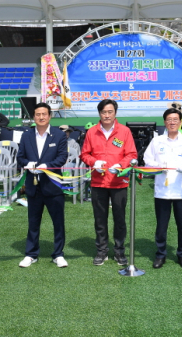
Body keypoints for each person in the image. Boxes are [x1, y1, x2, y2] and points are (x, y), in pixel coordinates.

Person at [80, 99, 138, 266]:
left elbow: (132, 154)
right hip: (98, 182)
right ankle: (102, 251)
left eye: (110, 112)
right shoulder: (91, 132)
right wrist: (94, 162)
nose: (107, 115)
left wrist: (121, 165)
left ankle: (119, 252)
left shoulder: (125, 131)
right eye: (104, 112)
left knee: (119, 219)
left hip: (119, 182)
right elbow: (85, 154)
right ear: (99, 113)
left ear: (115, 113)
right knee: (100, 219)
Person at [143, 108, 182, 269]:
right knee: (161, 226)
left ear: (180, 122)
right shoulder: (157, 141)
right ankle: (160, 254)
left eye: (175, 119)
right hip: (162, 191)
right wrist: (159, 166)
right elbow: (147, 161)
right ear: (164, 122)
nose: (172, 122)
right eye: (169, 119)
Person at [17, 103, 69, 268]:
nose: (41, 117)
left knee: (58, 222)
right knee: (33, 222)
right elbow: (20, 157)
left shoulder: (59, 135)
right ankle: (31, 254)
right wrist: (28, 164)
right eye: (37, 114)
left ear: (50, 116)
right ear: (34, 117)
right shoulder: (26, 136)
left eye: (44, 114)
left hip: (53, 185)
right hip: (33, 186)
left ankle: (58, 254)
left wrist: (48, 166)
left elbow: (62, 157)